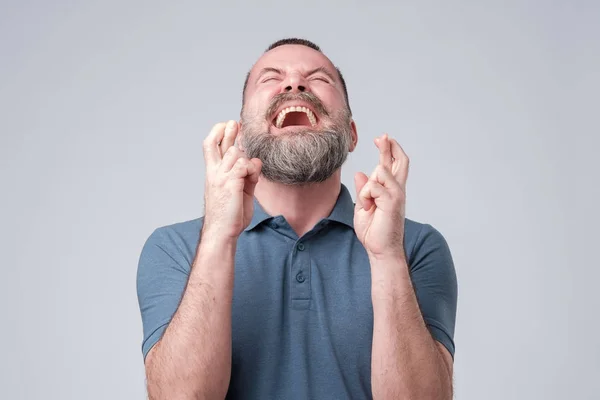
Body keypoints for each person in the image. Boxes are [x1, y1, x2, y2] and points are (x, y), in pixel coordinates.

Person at [136, 38, 458, 400]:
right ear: (241, 136)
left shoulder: (415, 247)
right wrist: (218, 236)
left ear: (351, 135)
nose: (294, 85)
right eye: (271, 77)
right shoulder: (175, 248)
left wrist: (387, 258)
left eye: (319, 78)